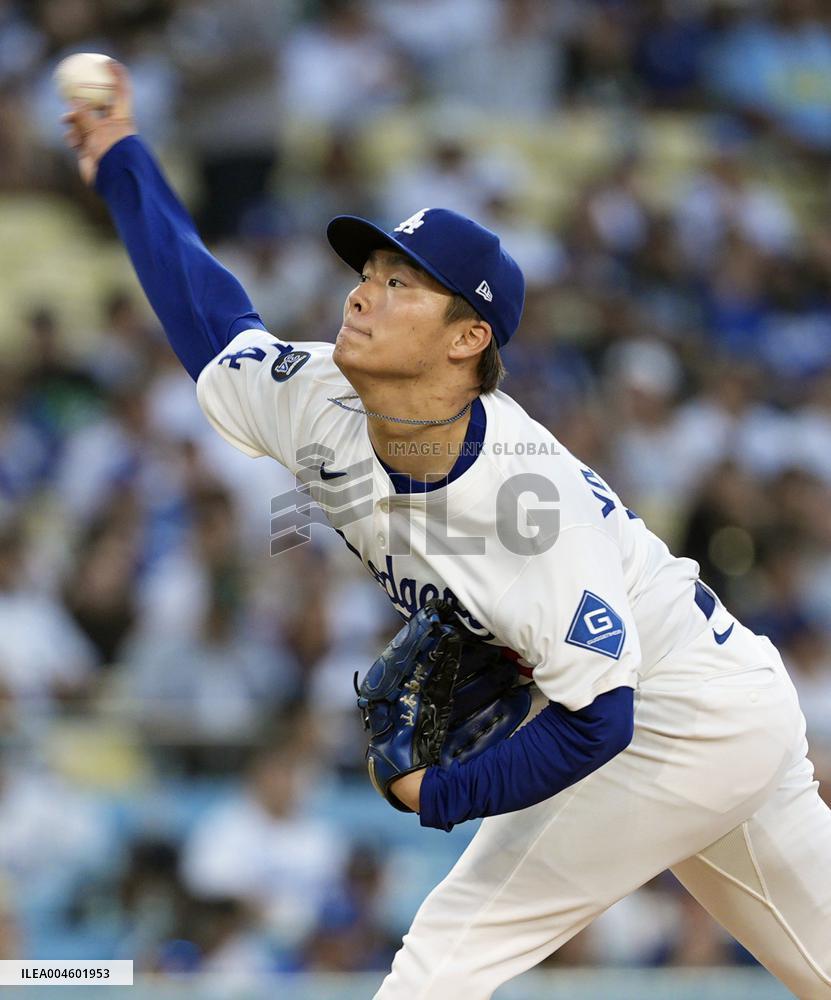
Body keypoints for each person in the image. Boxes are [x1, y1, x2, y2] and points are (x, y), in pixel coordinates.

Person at [61, 66, 831, 999]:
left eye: (400, 284)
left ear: (469, 339)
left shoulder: (524, 504)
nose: (361, 296)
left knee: (441, 960)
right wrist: (124, 162)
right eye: (366, 275)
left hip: (677, 717)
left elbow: (602, 721)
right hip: (730, 705)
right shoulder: (317, 398)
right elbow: (206, 314)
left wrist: (439, 794)